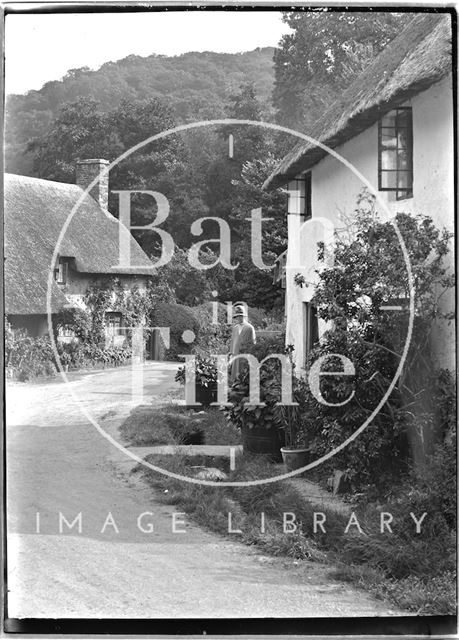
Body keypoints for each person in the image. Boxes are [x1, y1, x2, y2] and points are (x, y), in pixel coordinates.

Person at [229, 304, 256, 383]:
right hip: (235, 354)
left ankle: (243, 387)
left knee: (243, 372)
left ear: (244, 316)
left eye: (240, 316)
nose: (239, 318)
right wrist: (231, 354)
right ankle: (235, 386)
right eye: (237, 316)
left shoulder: (249, 328)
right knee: (235, 373)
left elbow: (253, 342)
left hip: (245, 355)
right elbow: (233, 341)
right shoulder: (235, 328)